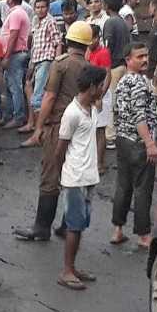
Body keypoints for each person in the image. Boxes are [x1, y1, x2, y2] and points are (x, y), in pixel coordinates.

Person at [16, 21, 94, 241]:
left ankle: (41, 227)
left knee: (50, 175)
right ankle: (67, 224)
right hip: (81, 127)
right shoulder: (88, 67)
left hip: (59, 125)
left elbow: (50, 97)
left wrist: (38, 127)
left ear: (68, 40)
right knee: (72, 175)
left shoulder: (61, 64)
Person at [55, 65, 108, 291]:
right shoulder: (72, 113)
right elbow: (60, 150)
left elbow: (98, 102)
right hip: (75, 178)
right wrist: (61, 177)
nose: (103, 89)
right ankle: (66, 271)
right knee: (75, 227)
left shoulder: (91, 108)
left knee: (79, 225)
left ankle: (72, 268)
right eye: (101, 86)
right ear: (92, 87)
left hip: (87, 177)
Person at [109, 37, 157, 248]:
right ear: (128, 60)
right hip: (138, 142)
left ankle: (117, 229)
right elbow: (140, 116)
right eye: (139, 57)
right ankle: (143, 234)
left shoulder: (122, 81)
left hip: (122, 139)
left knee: (123, 185)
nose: (145, 60)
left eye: (146, 56)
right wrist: (150, 143)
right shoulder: (139, 83)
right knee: (142, 188)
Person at [20, 0, 62, 135]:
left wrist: (57, 63)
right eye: (37, 7)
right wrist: (31, 63)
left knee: (38, 98)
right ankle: (35, 126)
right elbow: (34, 45)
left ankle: (41, 132)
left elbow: (57, 43)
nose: (40, 10)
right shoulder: (36, 21)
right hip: (36, 60)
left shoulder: (50, 21)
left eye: (43, 7)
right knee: (30, 88)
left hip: (46, 61)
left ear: (48, 8)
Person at [0, 0, 32, 127]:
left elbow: (13, 35)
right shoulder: (17, 13)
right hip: (15, 53)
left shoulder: (17, 14)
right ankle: (10, 115)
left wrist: (7, 56)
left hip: (15, 54)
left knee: (15, 86)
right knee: (10, 85)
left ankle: (18, 116)